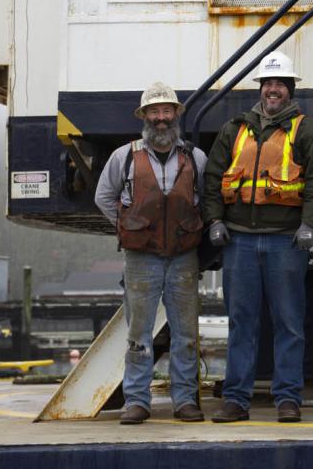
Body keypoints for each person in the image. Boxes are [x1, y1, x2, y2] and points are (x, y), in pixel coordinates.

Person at [202, 52, 313, 424]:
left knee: (289, 322)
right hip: (239, 242)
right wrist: (214, 219)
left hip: (286, 242)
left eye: (280, 84)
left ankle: (288, 399)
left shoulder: (307, 130)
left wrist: (310, 225)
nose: (273, 90)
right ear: (261, 88)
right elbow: (213, 178)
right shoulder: (234, 129)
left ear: (290, 90)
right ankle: (236, 400)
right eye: (268, 84)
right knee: (241, 323)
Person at [95, 82, 206, 424]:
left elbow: (207, 198)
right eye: (154, 112)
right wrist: (128, 227)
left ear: (175, 115)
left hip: (184, 257)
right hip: (140, 258)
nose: (161, 118)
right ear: (144, 116)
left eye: (166, 111)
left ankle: (185, 400)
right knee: (138, 334)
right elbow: (103, 197)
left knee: (186, 334)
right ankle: (136, 402)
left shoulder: (195, 157)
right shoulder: (124, 156)